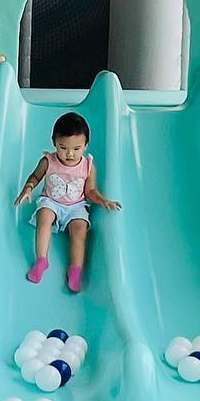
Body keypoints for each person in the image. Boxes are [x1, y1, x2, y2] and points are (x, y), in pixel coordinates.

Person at [15, 112, 121, 292]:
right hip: (51, 201)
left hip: (76, 206)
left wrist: (102, 200)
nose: (69, 154)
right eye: (63, 147)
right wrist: (28, 188)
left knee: (80, 231)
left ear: (86, 145)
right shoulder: (48, 161)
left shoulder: (88, 166)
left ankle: (75, 270)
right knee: (44, 217)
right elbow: (35, 176)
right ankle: (41, 260)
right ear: (54, 142)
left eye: (76, 148)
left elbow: (90, 191)